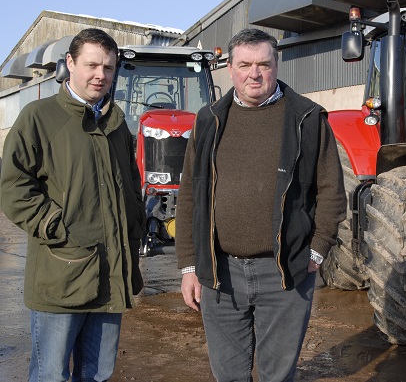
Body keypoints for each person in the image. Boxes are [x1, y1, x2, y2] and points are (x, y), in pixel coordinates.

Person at [176, 28, 346, 381]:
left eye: (263, 64)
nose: (255, 73)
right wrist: (189, 266)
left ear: (276, 64)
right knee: (229, 376)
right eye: (245, 64)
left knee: (277, 376)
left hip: (284, 272)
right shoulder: (208, 120)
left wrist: (317, 250)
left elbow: (331, 190)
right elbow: (190, 193)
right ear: (230, 68)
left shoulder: (308, 118)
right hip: (220, 272)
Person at [0, 28, 145, 381]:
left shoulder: (117, 123)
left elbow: (130, 184)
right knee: (51, 374)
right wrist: (55, 226)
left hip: (111, 275)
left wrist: (136, 226)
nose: (101, 75)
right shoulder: (39, 118)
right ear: (70, 63)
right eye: (92, 65)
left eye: (109, 68)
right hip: (62, 271)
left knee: (97, 373)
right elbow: (13, 186)